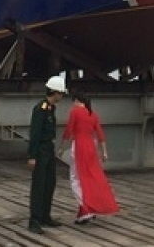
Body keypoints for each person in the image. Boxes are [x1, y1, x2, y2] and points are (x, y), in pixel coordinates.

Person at [57, 92, 120, 224]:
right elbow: (100, 134)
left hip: (79, 146)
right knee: (89, 179)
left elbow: (68, 131)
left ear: (77, 100)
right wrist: (104, 152)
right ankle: (83, 213)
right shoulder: (93, 114)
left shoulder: (75, 112)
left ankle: (88, 208)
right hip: (91, 147)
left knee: (75, 179)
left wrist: (61, 147)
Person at [27, 75, 67, 235]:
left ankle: (45, 216)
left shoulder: (51, 109)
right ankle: (34, 220)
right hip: (41, 149)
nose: (62, 96)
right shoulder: (40, 109)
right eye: (61, 93)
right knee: (39, 184)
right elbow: (35, 133)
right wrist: (32, 156)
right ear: (55, 92)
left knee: (50, 182)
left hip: (48, 148)